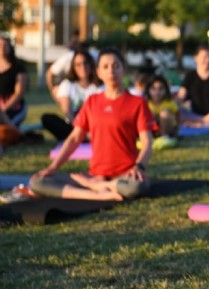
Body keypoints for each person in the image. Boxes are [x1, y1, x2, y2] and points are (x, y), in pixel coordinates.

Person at [30, 48, 155, 201]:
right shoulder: (92, 102)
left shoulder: (138, 103)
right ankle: (96, 193)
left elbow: (147, 141)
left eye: (116, 66)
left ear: (124, 69)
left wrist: (139, 166)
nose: (111, 71)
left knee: (137, 186)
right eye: (105, 67)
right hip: (95, 175)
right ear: (98, 72)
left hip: (125, 175)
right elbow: (74, 138)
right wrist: (53, 167)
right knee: (37, 182)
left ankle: (99, 188)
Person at [41, 49, 101, 141]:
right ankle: (80, 137)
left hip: (94, 125)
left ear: (91, 64)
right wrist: (79, 130)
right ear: (73, 67)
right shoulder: (67, 84)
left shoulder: (99, 86)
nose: (83, 67)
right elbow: (67, 111)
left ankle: (82, 138)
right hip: (74, 126)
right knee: (47, 118)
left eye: (85, 63)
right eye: (78, 64)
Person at [177, 46, 209, 128]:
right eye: (204, 57)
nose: (208, 60)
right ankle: (201, 123)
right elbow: (181, 95)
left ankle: (198, 125)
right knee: (177, 113)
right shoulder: (190, 75)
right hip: (194, 115)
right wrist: (175, 106)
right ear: (196, 58)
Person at [0, 37, 28, 128]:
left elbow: (19, 93)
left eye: (5, 45)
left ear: (10, 47)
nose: (2, 48)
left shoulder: (18, 67)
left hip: (14, 107)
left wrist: (4, 109)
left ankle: (17, 133)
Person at [146, 75, 179, 140]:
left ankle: (164, 136)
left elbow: (178, 115)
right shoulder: (146, 103)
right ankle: (150, 136)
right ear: (148, 89)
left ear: (166, 90)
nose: (157, 92)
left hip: (168, 130)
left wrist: (176, 130)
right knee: (150, 114)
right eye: (153, 88)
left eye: (161, 89)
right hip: (153, 131)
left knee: (165, 114)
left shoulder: (169, 103)